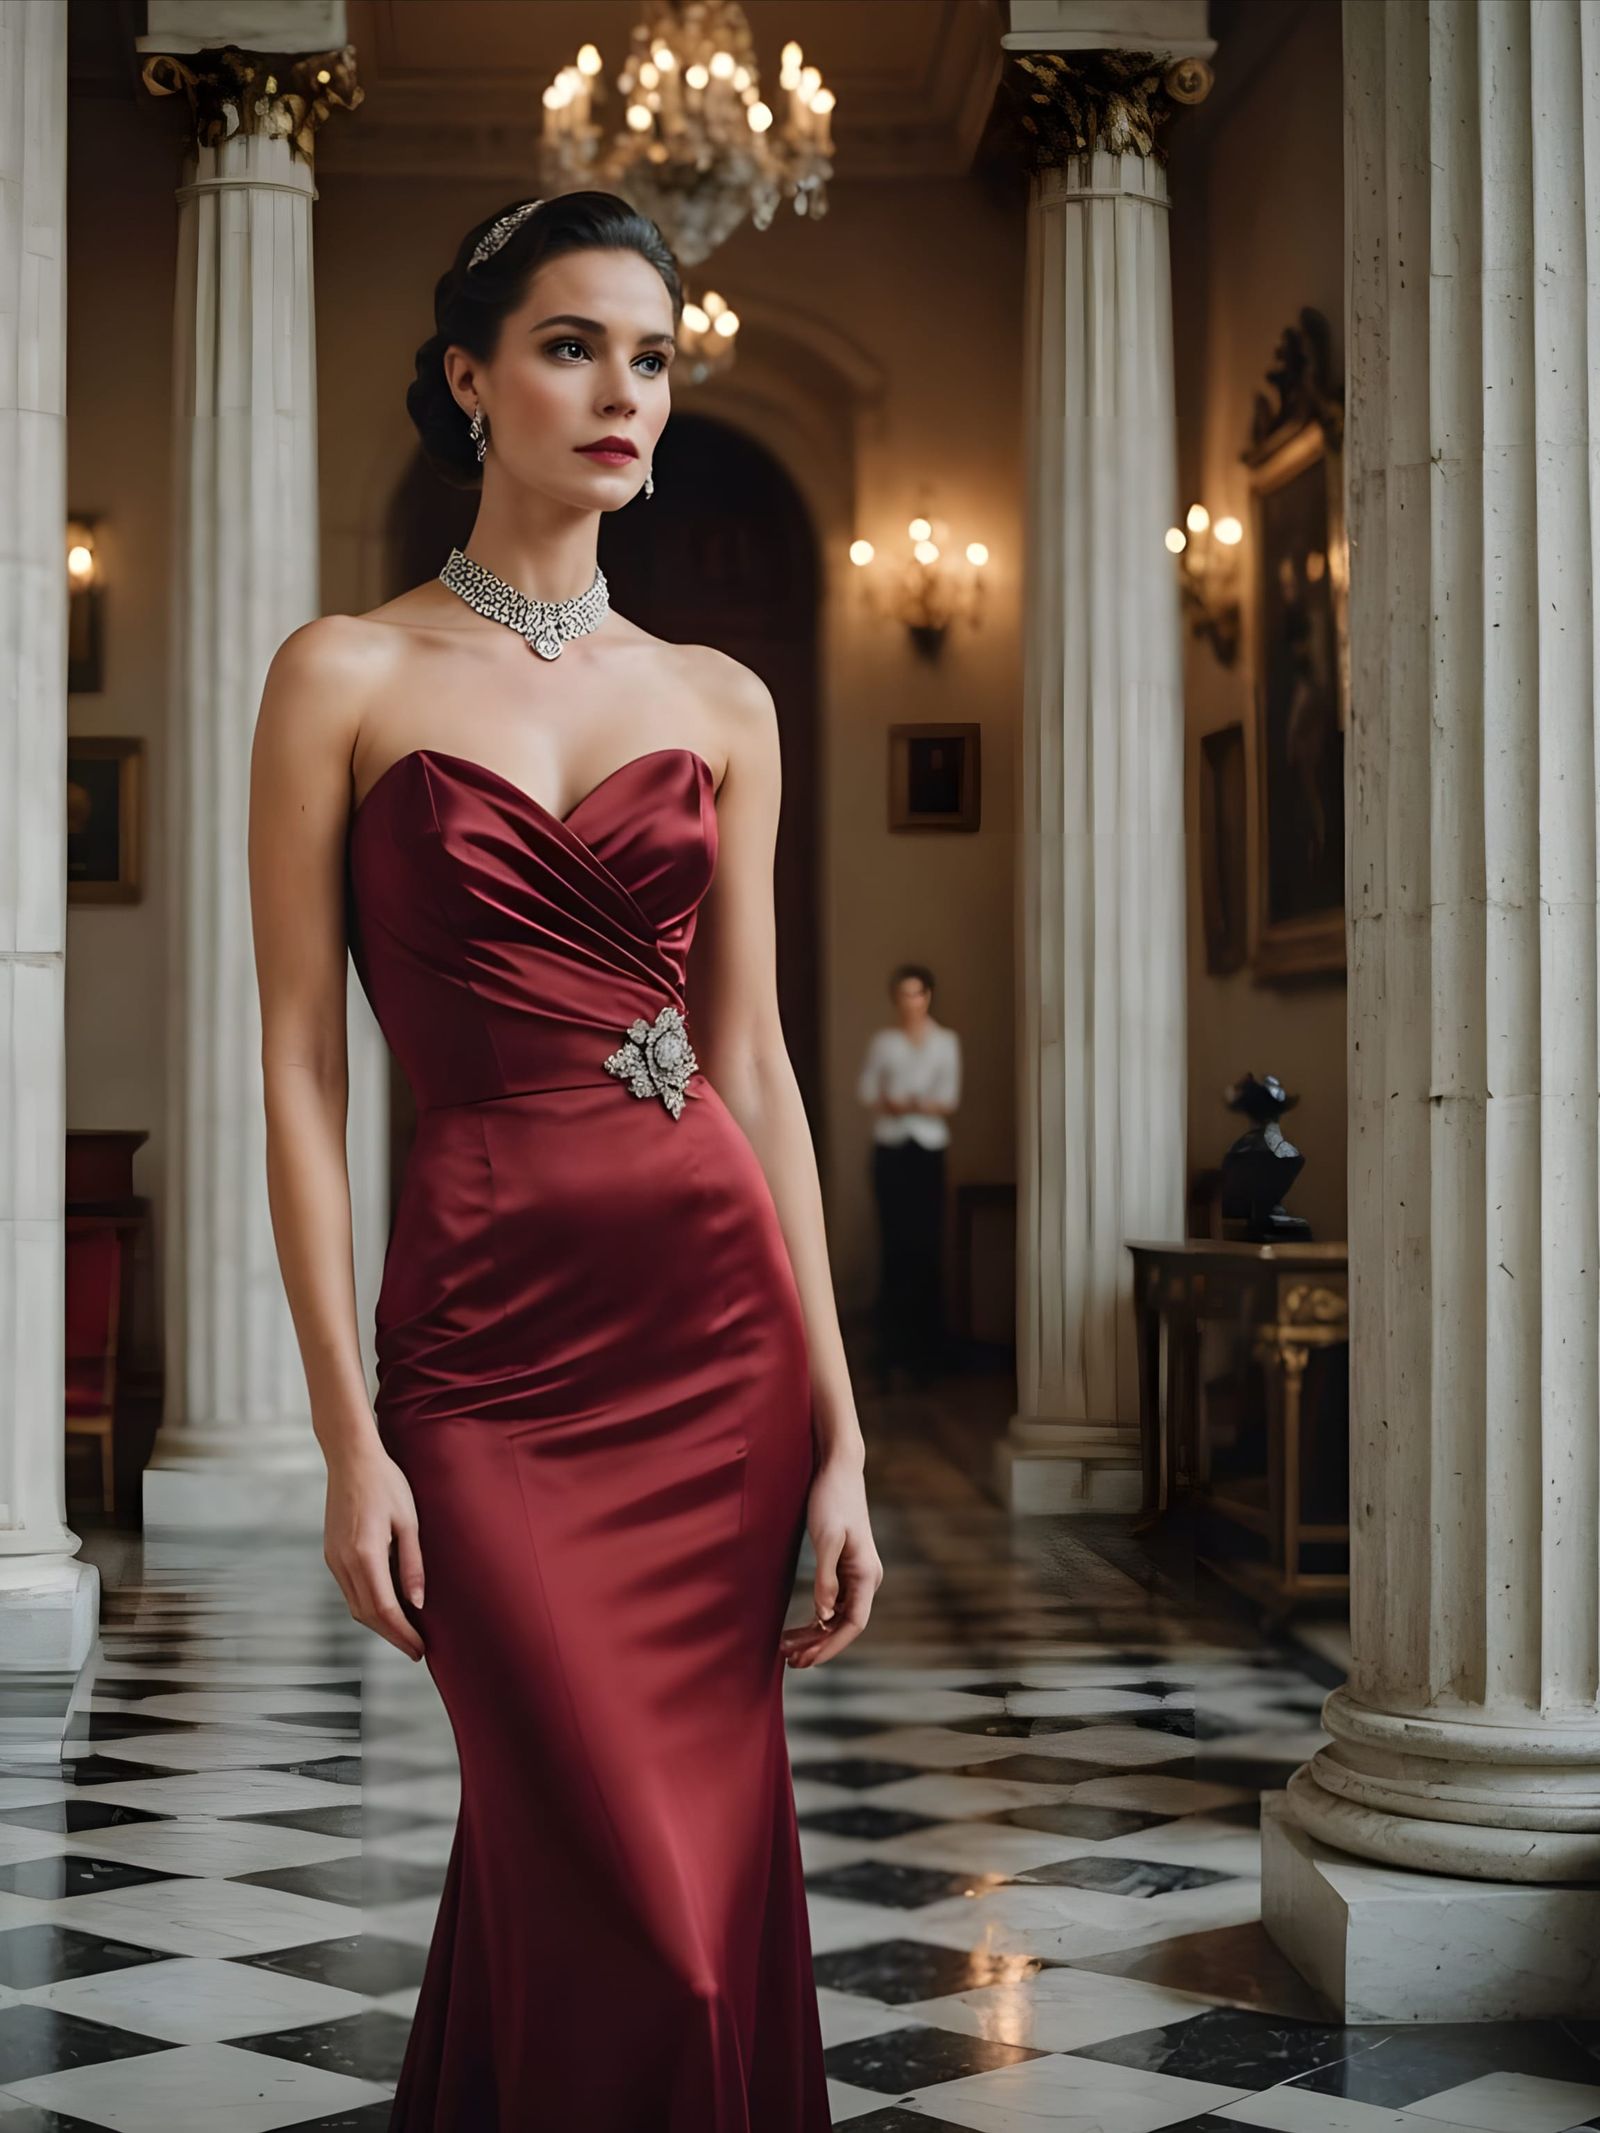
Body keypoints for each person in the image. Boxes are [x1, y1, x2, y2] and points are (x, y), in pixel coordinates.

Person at [247, 190, 879, 2133]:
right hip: (481, 1357)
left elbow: (757, 1070)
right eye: (571, 344)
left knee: (659, 1887)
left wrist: (841, 1433)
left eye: (656, 355)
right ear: (468, 379)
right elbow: (293, 1064)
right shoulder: (338, 674)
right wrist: (344, 1434)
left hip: (714, 1347)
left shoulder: (720, 700)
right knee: (608, 1872)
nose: (626, 392)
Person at [856, 963, 962, 1388]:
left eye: (917, 994)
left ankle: (928, 1354)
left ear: (928, 996)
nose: (910, 1002)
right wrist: (897, 1103)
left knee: (927, 1246)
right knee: (893, 1247)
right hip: (891, 1151)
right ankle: (892, 1352)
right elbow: (866, 1091)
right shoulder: (885, 1043)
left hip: (929, 1151)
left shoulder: (945, 1042)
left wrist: (912, 1104)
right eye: (903, 995)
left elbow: (949, 1098)